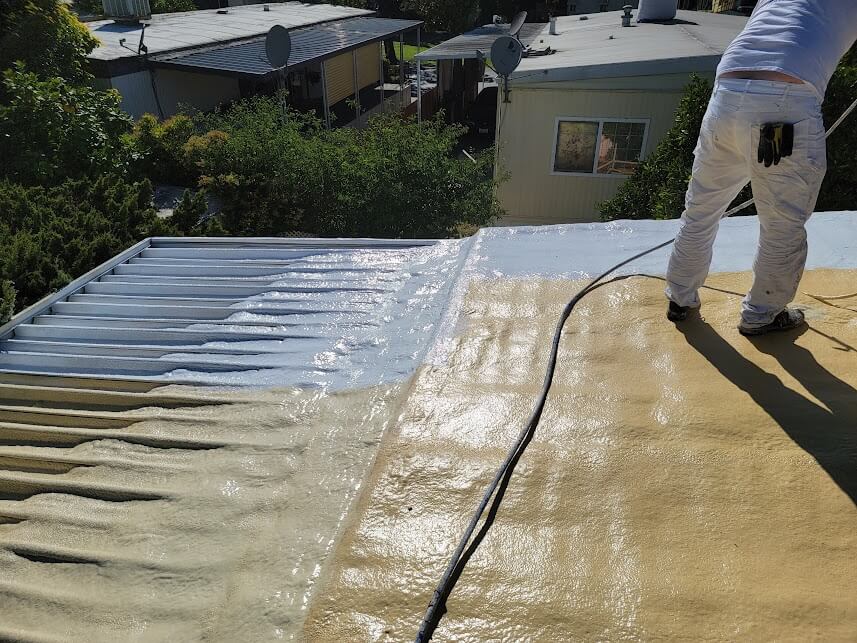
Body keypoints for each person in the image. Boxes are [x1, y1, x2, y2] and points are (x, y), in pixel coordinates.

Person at [665, 0, 857, 336]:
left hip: (728, 91)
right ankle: (762, 314)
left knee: (701, 209)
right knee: (782, 224)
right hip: (787, 99)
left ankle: (679, 298)